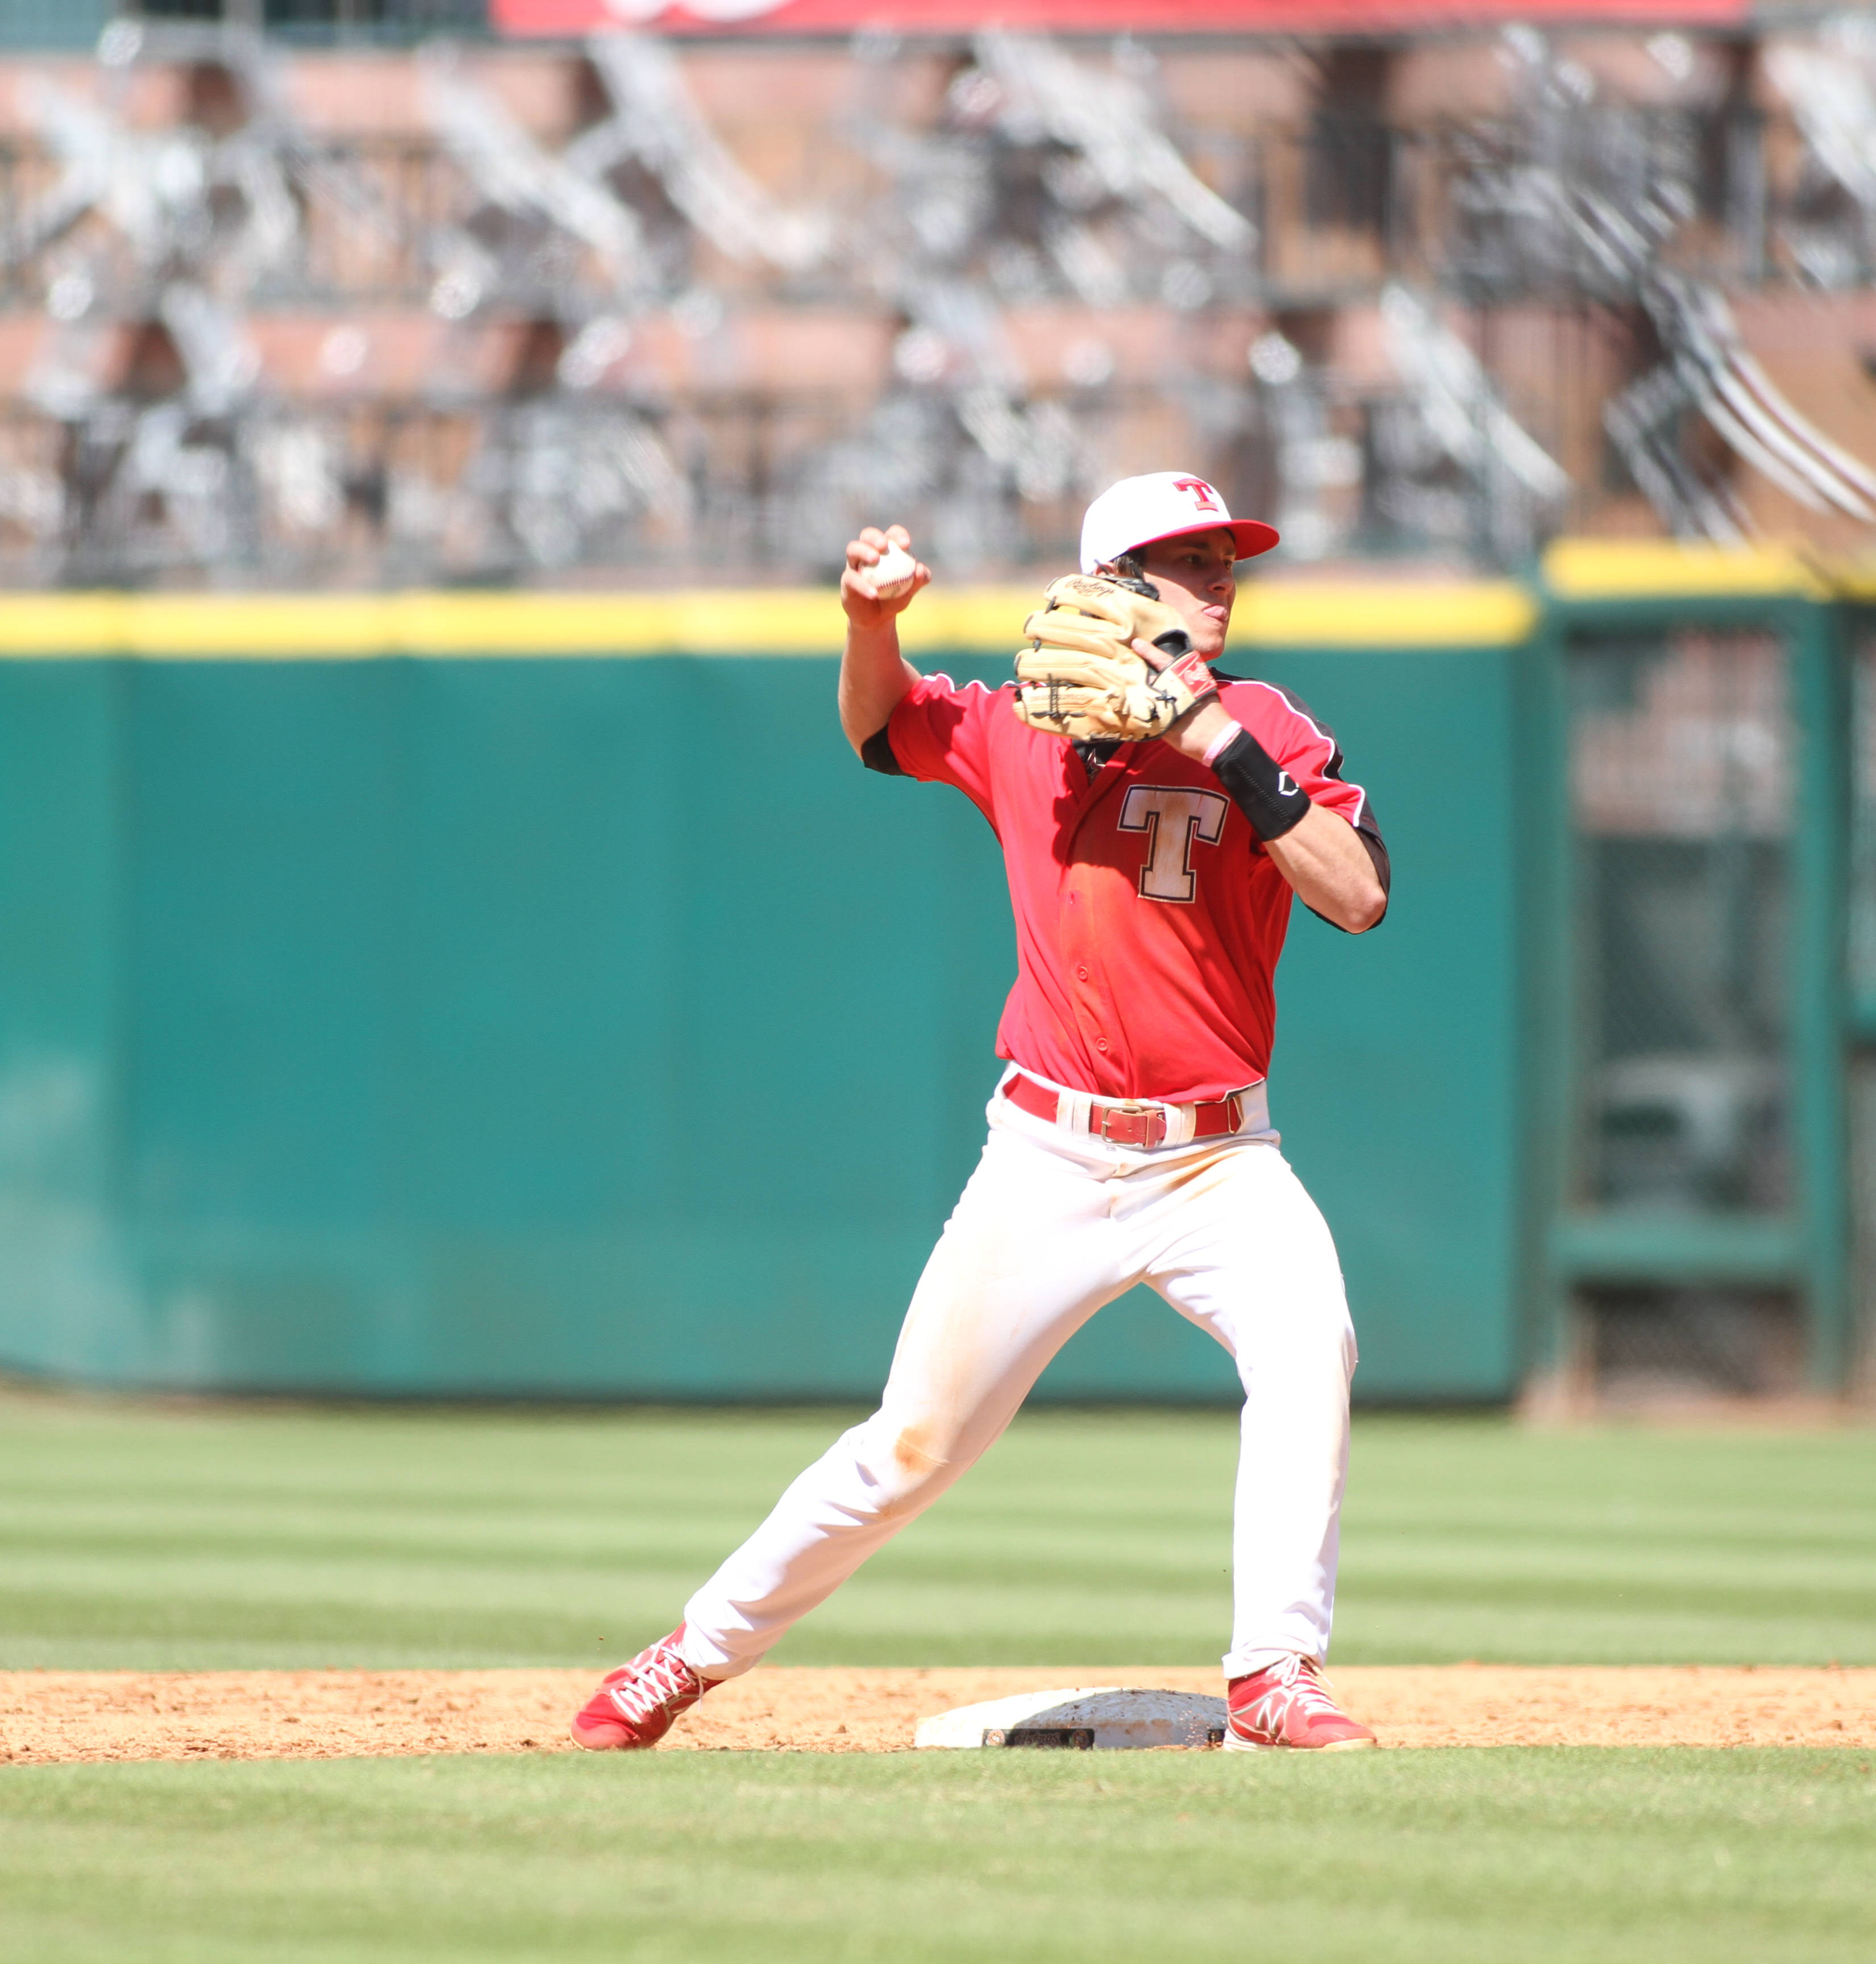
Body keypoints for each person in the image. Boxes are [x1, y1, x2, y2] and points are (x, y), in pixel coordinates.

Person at [574, 472, 1391, 1753]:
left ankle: (1274, 1674)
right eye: (1187, 559)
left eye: (1228, 557)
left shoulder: (1268, 724)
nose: (1220, 577)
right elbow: (877, 722)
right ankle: (682, 1659)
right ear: (1113, 585)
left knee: (1311, 1348)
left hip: (1221, 1157)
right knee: (911, 1445)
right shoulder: (1023, 725)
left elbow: (1359, 896)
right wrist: (867, 619)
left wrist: (1217, 745)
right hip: (1051, 1154)